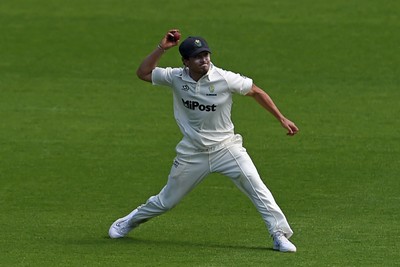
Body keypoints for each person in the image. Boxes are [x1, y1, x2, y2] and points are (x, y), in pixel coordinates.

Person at [109, 29, 299, 252]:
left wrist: (281, 118)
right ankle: (129, 221)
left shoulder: (224, 78)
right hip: (193, 152)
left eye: (206, 54)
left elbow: (256, 91)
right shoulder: (175, 77)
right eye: (198, 57)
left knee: (257, 187)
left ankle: (279, 234)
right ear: (186, 61)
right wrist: (162, 48)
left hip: (227, 148)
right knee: (165, 202)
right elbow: (142, 73)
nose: (204, 60)